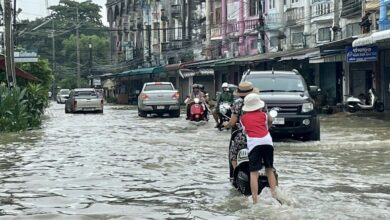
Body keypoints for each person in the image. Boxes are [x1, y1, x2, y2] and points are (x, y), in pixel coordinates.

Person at [240, 93, 277, 204]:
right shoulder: (264, 115)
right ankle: (274, 195)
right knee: (269, 169)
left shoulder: (243, 119)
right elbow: (268, 124)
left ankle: (255, 200)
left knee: (254, 173)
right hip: (268, 143)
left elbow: (245, 131)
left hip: (254, 145)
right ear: (259, 106)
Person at [223, 82, 259, 170]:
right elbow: (268, 121)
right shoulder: (261, 103)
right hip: (260, 137)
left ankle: (235, 173)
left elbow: (232, 123)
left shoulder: (238, 104)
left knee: (233, 153)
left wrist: (225, 125)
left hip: (242, 137)